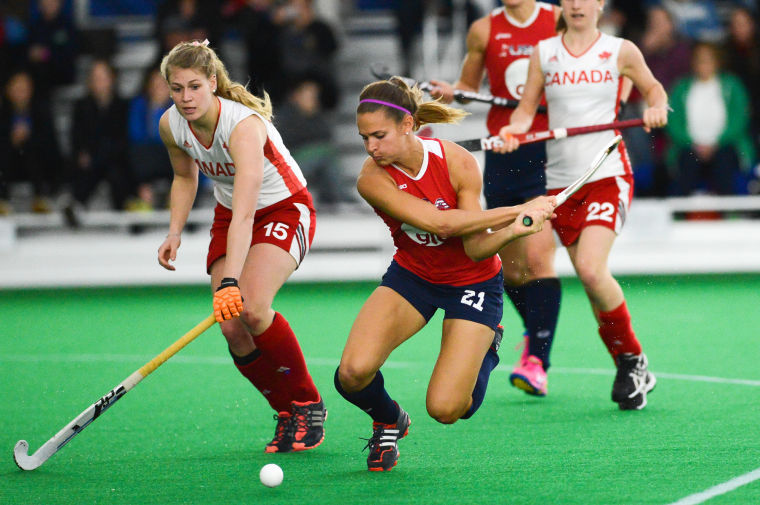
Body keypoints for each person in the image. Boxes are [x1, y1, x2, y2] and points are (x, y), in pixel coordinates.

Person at [334, 77, 556, 471]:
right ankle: (388, 419)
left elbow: (474, 246)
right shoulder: (371, 179)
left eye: (379, 136)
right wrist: (519, 210)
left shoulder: (456, 161)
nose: (370, 147)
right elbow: (443, 226)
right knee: (351, 374)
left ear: (407, 126)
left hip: (474, 283)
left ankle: (488, 347)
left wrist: (514, 230)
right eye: (364, 137)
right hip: (412, 277)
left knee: (447, 409)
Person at [495, 0, 667, 410]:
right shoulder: (545, 52)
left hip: (606, 174)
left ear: (599, 4)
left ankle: (631, 359)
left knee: (590, 268)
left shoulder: (620, 49)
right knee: (586, 280)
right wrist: (513, 131)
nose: (576, 4)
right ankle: (630, 363)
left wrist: (657, 107)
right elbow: (523, 112)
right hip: (561, 185)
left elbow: (654, 89)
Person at [156, 40, 326, 454]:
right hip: (230, 214)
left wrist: (231, 279)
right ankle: (285, 411)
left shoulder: (242, 125)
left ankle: (308, 403)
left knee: (250, 307)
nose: (186, 98)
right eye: (177, 89)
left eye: (195, 86)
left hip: (283, 209)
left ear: (213, 82)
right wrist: (174, 231)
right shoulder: (171, 124)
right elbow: (184, 178)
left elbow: (249, 213)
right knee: (231, 326)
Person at [428, 0, 562, 397]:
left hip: (548, 149)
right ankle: (527, 333)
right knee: (516, 270)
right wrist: (454, 93)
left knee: (538, 258)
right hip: (504, 153)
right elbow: (469, 91)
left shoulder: (556, 18)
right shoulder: (483, 30)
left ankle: (537, 360)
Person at [665, 41, 755, 196]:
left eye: (708, 59)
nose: (703, 64)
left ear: (717, 61)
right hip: (689, 147)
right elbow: (673, 121)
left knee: (724, 163)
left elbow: (740, 118)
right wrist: (692, 143)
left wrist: (717, 143)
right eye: (699, 59)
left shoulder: (732, 85)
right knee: (686, 165)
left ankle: (731, 214)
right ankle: (682, 216)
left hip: (725, 145)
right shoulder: (681, 88)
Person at [65, 58, 132, 225]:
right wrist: (81, 153)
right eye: (95, 78)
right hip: (91, 160)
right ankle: (76, 205)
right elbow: (76, 137)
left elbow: (124, 140)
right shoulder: (81, 106)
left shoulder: (123, 105)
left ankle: (123, 213)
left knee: (115, 171)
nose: (99, 82)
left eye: (103, 77)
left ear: (112, 79)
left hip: (115, 159)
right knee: (87, 168)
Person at [0, 68, 62, 214]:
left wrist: (30, 138)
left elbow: (51, 145)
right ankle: (2, 199)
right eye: (17, 88)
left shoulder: (41, 111)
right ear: (8, 89)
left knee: (30, 149)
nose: (21, 92)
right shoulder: (3, 113)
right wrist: (12, 140)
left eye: (25, 88)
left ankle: (40, 198)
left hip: (37, 165)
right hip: (9, 164)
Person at [127, 66, 173, 210]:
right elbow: (136, 135)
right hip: (147, 158)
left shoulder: (180, 106)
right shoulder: (139, 105)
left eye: (162, 85)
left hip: (171, 157)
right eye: (155, 85)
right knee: (136, 152)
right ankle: (143, 196)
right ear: (148, 86)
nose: (158, 89)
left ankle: (175, 197)